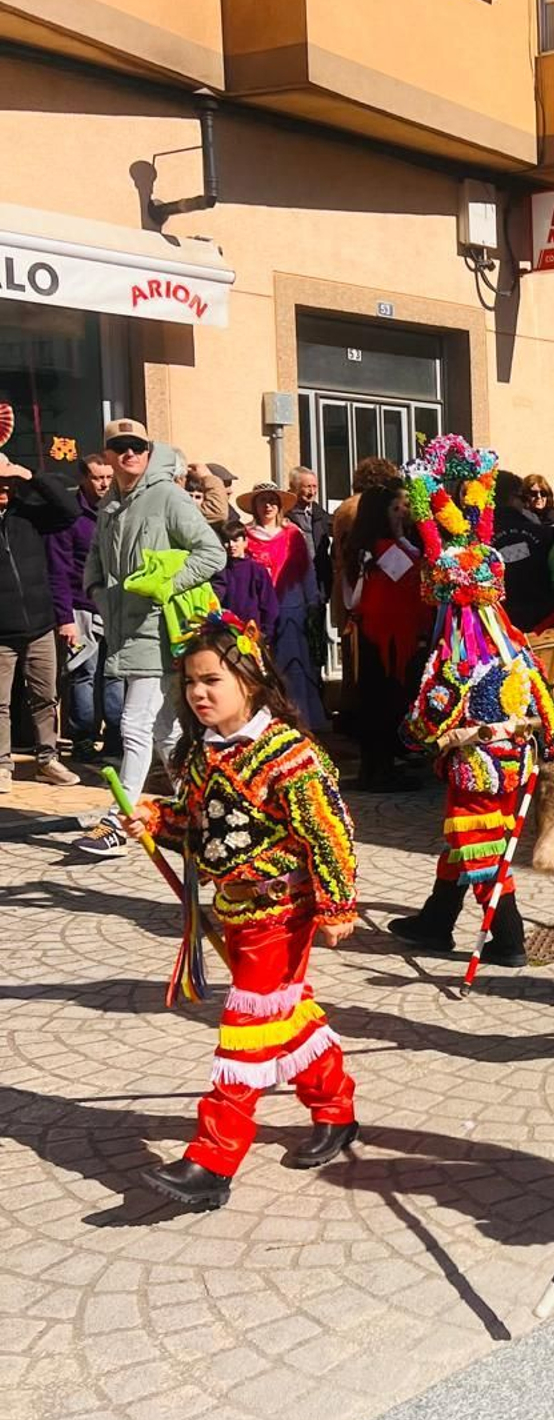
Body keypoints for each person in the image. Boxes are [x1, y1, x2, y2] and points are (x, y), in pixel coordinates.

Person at [124, 613, 359, 1211]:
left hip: (283, 911)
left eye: (211, 680)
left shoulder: (288, 755)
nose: (198, 693)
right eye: (190, 684)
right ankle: (336, 1110)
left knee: (247, 1032)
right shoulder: (202, 757)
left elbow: (329, 832)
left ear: (248, 679)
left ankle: (212, 1160)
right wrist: (155, 818)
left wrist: (337, 904)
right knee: (288, 1013)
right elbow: (199, 826)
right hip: (235, 911)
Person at [388, 443, 554, 968]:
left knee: (481, 846)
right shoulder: (516, 650)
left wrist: (411, 736)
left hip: (478, 766)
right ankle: (436, 923)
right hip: (517, 762)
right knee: (466, 842)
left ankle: (508, 940)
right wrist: (545, 743)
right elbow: (547, 712)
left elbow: (426, 720)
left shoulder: (458, 659)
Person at [76, 420, 225, 856]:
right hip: (124, 631)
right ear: (106, 455)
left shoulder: (168, 496)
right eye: (118, 447)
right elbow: (95, 560)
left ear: (148, 450)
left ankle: (118, 822)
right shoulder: (109, 506)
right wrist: (98, 595)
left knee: (135, 723)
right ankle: (201, 811)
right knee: (165, 731)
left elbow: (211, 553)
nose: (128, 454)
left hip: (162, 630)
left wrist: (167, 586)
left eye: (136, 446)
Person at [342, 478, 427, 791]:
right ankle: (380, 770)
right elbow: (415, 570)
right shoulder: (382, 547)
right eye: (394, 509)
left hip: (376, 635)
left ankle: (380, 766)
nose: (400, 514)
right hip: (385, 638)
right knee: (384, 701)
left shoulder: (364, 547)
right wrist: (404, 536)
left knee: (379, 700)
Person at [0, 451, 78, 790]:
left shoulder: (28, 514)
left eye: (7, 481)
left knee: (46, 696)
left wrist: (30, 474)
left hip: (39, 626)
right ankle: (1, 765)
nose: (3, 488)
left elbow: (68, 510)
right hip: (1, 633)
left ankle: (48, 759)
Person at [48, 450, 122, 765]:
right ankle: (82, 739)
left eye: (109, 477)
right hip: (81, 607)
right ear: (83, 478)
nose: (104, 483)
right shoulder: (69, 515)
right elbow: (58, 570)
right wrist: (64, 618)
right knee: (83, 673)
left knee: (116, 673)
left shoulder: (120, 509)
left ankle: (116, 739)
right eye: (97, 477)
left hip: (117, 604)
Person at [242, 484, 325, 730]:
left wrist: (312, 601)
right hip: (258, 611)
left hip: (291, 605)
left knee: (293, 665)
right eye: (262, 501)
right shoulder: (245, 536)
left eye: (272, 501)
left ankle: (298, 719)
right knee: (261, 667)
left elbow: (306, 570)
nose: (268, 505)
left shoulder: (293, 535)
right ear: (255, 506)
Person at [329, 456, 403, 636]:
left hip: (346, 587)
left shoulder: (343, 508)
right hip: (373, 589)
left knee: (351, 654)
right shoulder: (372, 506)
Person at [492, 470, 554, 634]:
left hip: (497, 627)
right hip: (541, 623)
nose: (525, 503)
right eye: (523, 498)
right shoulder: (545, 534)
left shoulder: (478, 538)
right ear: (513, 498)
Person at [214, 518, 281, 634]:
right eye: (226, 541)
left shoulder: (257, 570)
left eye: (235, 540)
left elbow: (269, 605)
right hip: (226, 632)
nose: (231, 545)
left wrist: (266, 634)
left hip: (252, 632)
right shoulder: (220, 569)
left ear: (245, 542)